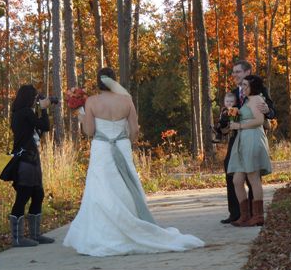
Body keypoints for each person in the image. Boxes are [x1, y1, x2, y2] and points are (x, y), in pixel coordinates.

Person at [63, 67, 204, 256]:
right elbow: (134, 130)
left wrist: (81, 117)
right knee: (125, 184)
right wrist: (124, 141)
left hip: (102, 148)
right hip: (122, 145)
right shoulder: (126, 100)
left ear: (98, 82)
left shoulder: (92, 102)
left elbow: (89, 131)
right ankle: (133, 220)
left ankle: (105, 231)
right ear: (114, 81)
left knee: (101, 187)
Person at [217, 60, 275, 225]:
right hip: (238, 137)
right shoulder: (235, 93)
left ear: (248, 72)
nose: (234, 75)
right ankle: (237, 214)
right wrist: (223, 122)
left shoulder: (258, 93)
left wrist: (269, 112)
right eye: (233, 72)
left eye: (238, 72)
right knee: (233, 175)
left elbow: (268, 112)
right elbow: (230, 113)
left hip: (251, 136)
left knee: (252, 176)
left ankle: (254, 215)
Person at [8, 84, 55, 247]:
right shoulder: (25, 113)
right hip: (26, 161)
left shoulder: (19, 113)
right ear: (30, 98)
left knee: (38, 194)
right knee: (23, 196)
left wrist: (39, 109)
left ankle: (35, 235)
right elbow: (45, 126)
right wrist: (44, 109)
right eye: (35, 98)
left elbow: (37, 130)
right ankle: (18, 238)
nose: (37, 100)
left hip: (30, 159)